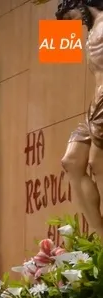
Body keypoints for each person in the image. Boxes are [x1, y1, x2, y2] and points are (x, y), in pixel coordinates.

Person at [59, 0, 103, 236]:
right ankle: (100, 234)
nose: (71, 23)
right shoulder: (91, 31)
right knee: (71, 161)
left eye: (70, 16)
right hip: (96, 104)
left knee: (97, 163)